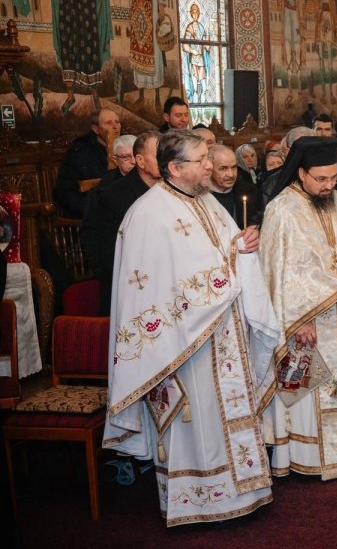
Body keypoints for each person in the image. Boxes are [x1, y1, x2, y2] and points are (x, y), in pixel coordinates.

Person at [103, 129, 275, 526]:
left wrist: (243, 244)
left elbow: (224, 252)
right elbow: (154, 291)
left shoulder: (208, 201)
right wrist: (230, 269)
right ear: (176, 168)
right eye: (202, 161)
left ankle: (243, 489)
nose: (210, 166)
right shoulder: (148, 215)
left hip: (224, 333)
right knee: (200, 419)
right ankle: (203, 501)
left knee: (225, 413)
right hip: (184, 344)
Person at [260, 137, 337, 480]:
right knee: (309, 385)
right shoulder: (281, 210)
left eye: (333, 178)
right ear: (301, 173)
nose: (328, 185)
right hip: (306, 321)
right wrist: (301, 319)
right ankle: (309, 457)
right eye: (321, 179)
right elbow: (281, 271)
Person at [83, 131, 158, 315]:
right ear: (140, 161)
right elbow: (107, 252)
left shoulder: (168, 188)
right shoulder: (111, 195)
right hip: (130, 286)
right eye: (159, 155)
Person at [55, 108, 120, 218]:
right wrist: (93, 209)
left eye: (117, 122)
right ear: (95, 129)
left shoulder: (127, 148)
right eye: (108, 123)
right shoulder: (79, 154)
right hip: (94, 215)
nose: (115, 127)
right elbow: (66, 193)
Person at [209, 145, 262, 229]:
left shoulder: (250, 191)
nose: (231, 174)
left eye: (234, 168)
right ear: (209, 169)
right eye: (223, 169)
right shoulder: (200, 196)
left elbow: (258, 219)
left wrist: (255, 230)